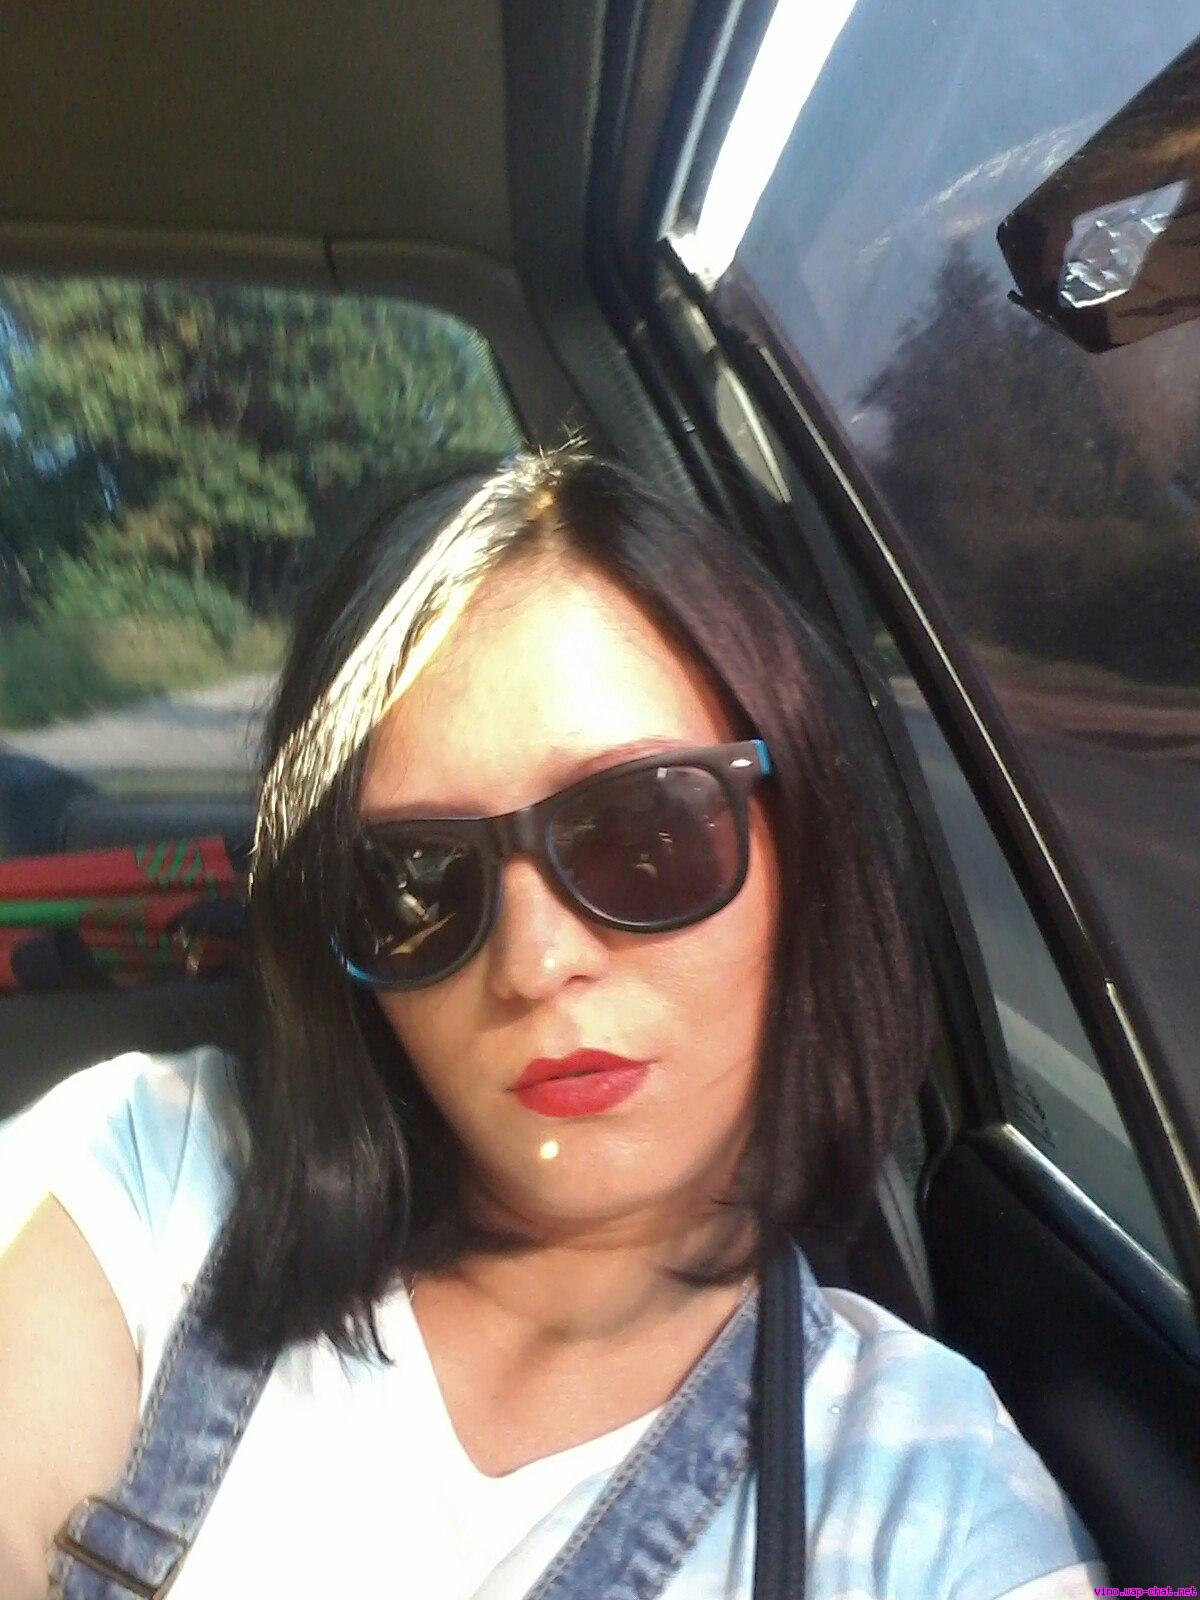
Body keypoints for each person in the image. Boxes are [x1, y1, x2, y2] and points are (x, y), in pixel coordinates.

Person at [0, 450, 1107, 1599]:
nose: (532, 963)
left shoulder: (934, 1497)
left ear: (803, 848)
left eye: (642, 834)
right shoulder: (157, 1169)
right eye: (416, 882)